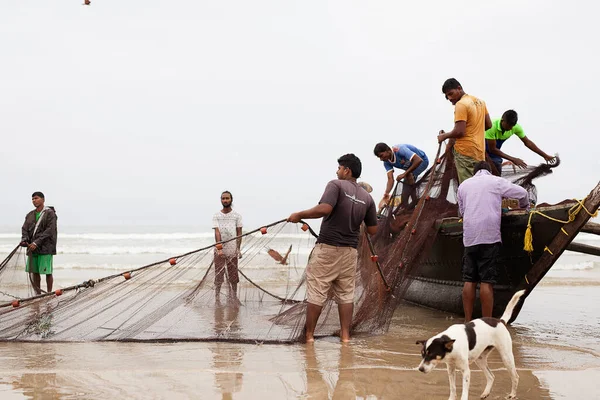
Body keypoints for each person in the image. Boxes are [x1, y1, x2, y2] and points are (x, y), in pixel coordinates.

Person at [287, 154, 378, 343]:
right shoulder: (367, 198)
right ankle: (345, 337)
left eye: (339, 168)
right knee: (346, 295)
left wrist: (299, 214)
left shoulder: (335, 185)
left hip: (328, 247)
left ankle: (309, 336)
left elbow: (324, 209)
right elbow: (372, 229)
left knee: (317, 292)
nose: (337, 172)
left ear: (347, 170)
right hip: (350, 252)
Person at [457, 161, 529, 322]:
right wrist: (524, 208)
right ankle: (486, 323)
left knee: (469, 280)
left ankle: (467, 321)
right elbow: (523, 194)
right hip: (489, 237)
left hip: (470, 239)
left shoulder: (463, 186)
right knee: (486, 281)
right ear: (489, 171)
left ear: (474, 172)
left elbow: (462, 211)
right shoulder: (496, 181)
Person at [438, 78, 492, 184]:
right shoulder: (480, 102)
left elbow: (459, 132)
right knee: (480, 185)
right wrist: (474, 129)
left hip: (465, 152)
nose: (449, 98)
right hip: (479, 152)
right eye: (447, 96)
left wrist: (444, 136)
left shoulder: (461, 104)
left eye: (451, 93)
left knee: (468, 187)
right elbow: (488, 125)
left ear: (459, 88)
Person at [485, 109, 556, 175]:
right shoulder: (492, 126)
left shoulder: (515, 127)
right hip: (481, 148)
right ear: (502, 120)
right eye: (509, 125)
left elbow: (528, 143)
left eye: (512, 125)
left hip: (494, 151)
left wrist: (545, 155)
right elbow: (492, 149)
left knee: (497, 170)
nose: (510, 128)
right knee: (491, 168)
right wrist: (514, 159)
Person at [20, 192, 58, 295]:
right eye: (32, 199)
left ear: (43, 199)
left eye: (36, 198)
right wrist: (25, 239)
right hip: (32, 248)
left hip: (46, 248)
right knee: (35, 272)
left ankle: (49, 293)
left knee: (47, 272)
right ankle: (38, 294)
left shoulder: (50, 213)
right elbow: (25, 229)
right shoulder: (30, 215)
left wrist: (36, 243)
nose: (34, 201)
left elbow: (50, 231)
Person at [373, 143, 429, 208]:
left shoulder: (400, 150)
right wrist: (386, 193)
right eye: (379, 157)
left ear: (388, 150)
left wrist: (404, 174)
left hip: (422, 161)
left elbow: (418, 160)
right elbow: (390, 178)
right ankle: (414, 201)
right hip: (411, 168)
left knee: (407, 179)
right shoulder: (386, 162)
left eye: (381, 155)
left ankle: (414, 201)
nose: (381, 159)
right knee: (407, 182)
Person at [212, 191, 243, 301]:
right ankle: (217, 298)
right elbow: (217, 232)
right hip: (219, 249)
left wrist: (238, 249)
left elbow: (239, 233)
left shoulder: (237, 216)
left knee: (233, 275)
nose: (225, 200)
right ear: (221, 200)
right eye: (223, 198)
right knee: (218, 274)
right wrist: (219, 248)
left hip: (232, 249)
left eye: (227, 198)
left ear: (231, 199)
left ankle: (233, 296)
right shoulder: (216, 215)